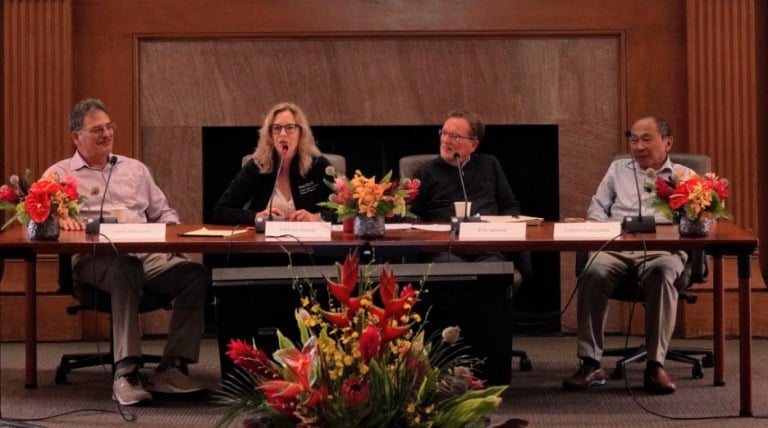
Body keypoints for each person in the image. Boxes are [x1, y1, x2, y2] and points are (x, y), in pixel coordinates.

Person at [45, 98, 210, 406]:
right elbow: (36, 216)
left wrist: (172, 243)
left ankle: (172, 367)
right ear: (76, 136)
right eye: (97, 130)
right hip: (92, 263)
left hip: (143, 254)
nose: (106, 134)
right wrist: (59, 220)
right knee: (126, 267)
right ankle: (126, 372)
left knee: (194, 275)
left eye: (109, 127)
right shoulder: (58, 174)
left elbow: (165, 213)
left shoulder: (134, 169)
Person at [562, 115, 696, 395]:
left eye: (647, 139)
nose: (638, 146)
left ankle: (655, 365)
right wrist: (607, 229)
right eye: (633, 139)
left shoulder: (684, 176)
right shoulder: (617, 170)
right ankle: (591, 362)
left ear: (667, 142)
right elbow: (596, 210)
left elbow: (696, 221)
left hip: (663, 251)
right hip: (616, 247)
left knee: (661, 274)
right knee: (593, 272)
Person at [410, 108, 521, 262]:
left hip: (486, 245)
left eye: (454, 136)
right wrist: (430, 236)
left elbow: (510, 206)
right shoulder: (425, 172)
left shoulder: (489, 165)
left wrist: (504, 230)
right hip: (444, 248)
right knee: (450, 266)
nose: (445, 140)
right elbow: (411, 215)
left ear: (473, 145)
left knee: (493, 267)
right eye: (444, 133)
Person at [212, 102, 333, 225]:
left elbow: (347, 211)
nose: (282, 134)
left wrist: (317, 217)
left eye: (290, 127)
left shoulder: (318, 164)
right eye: (276, 128)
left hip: (309, 242)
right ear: (270, 134)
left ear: (301, 132)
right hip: (265, 242)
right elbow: (220, 211)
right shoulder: (258, 165)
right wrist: (255, 216)